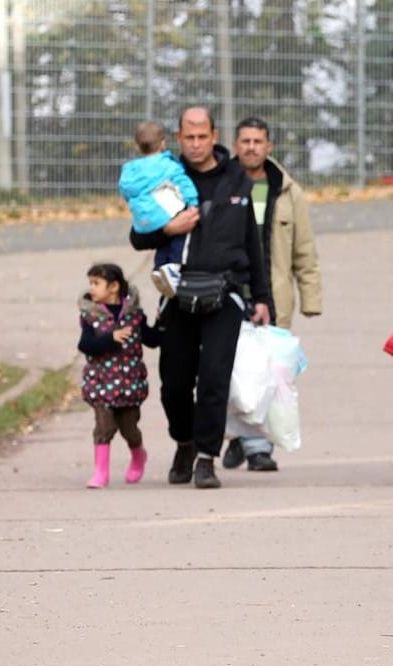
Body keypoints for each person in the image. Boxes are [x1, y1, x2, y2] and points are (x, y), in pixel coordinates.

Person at [128, 106, 273, 491]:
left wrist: (262, 297)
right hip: (177, 292)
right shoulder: (162, 175)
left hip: (224, 292)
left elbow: (253, 242)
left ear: (213, 136)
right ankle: (185, 443)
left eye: (202, 136)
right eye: (188, 137)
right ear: (178, 138)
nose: (195, 144)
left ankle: (207, 458)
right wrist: (168, 228)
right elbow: (138, 236)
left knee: (214, 378)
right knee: (174, 383)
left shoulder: (239, 179)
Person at [221, 116, 323, 473]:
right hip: (229, 291)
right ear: (235, 145)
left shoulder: (286, 190)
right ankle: (237, 436)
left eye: (257, 141)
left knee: (269, 373)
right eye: (245, 141)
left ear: (269, 147)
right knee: (230, 371)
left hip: (273, 294)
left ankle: (259, 446)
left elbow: (303, 248)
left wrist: (311, 297)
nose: (251, 147)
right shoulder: (222, 183)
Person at [75, 262, 157, 489]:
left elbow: (151, 339)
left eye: (96, 283)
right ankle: (101, 473)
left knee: (130, 430)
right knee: (104, 428)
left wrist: (161, 324)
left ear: (113, 287)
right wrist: (110, 338)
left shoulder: (134, 315)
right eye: (90, 283)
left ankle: (139, 455)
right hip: (101, 384)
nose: (91, 288)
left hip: (129, 383)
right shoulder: (90, 316)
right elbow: (85, 344)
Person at [118, 120, 196, 297]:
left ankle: (160, 267)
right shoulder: (168, 165)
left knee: (162, 243)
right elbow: (184, 183)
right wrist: (193, 202)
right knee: (180, 235)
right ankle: (174, 265)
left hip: (143, 219)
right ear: (163, 143)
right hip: (166, 213)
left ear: (138, 146)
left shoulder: (131, 169)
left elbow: (125, 188)